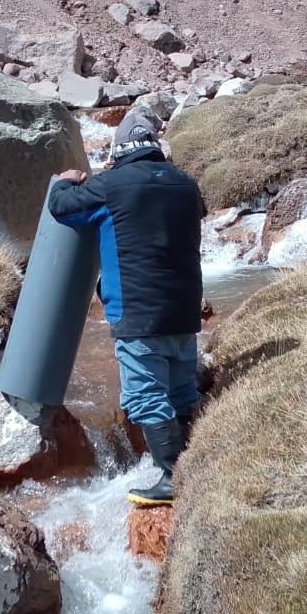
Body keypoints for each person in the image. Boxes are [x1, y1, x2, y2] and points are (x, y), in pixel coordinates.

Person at [49, 113, 205, 506]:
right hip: (184, 309)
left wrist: (67, 180)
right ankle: (198, 464)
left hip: (138, 312)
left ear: (118, 152)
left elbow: (62, 208)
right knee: (182, 389)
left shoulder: (110, 185)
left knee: (145, 396)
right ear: (154, 146)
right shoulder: (186, 184)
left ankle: (174, 479)